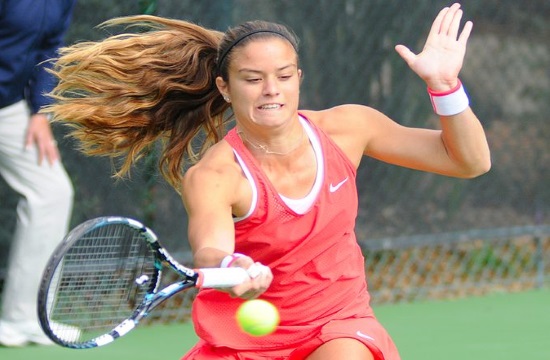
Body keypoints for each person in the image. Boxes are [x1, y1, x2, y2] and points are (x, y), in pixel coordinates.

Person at [45, 3, 490, 359]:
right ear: (225, 88)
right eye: (253, 79)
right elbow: (210, 247)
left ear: (298, 78)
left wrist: (445, 85)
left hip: (337, 325)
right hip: (242, 343)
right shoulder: (216, 176)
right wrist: (229, 267)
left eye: (282, 76)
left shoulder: (350, 128)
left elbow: (468, 162)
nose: (270, 89)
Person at [0, 0, 75, 347]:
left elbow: (50, 49)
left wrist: (40, 110)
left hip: (9, 108)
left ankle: (24, 318)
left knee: (52, 192)